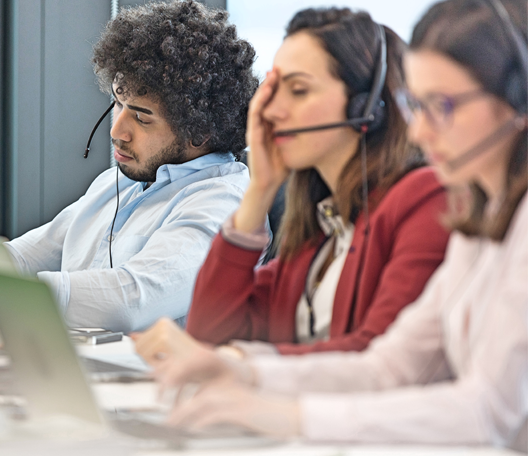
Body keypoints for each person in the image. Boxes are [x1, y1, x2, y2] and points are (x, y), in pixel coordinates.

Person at [136, 0, 528, 449]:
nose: (421, 131)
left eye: (443, 104)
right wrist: (242, 369)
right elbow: (389, 367)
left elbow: (489, 413)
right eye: (419, 105)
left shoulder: (447, 204)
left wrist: (285, 414)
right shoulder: (477, 221)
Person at [136, 8, 450, 358]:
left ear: (367, 107)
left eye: (298, 90)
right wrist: (258, 194)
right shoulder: (319, 233)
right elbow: (209, 334)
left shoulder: (426, 201)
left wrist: (243, 362)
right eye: (273, 91)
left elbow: (381, 359)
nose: (271, 112)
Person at [4, 0, 258, 332]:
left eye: (141, 117)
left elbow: (130, 301)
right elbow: (22, 259)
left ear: (199, 131)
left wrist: (8, 295)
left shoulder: (225, 205)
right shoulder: (119, 183)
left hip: (153, 381)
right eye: (118, 104)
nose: (117, 131)